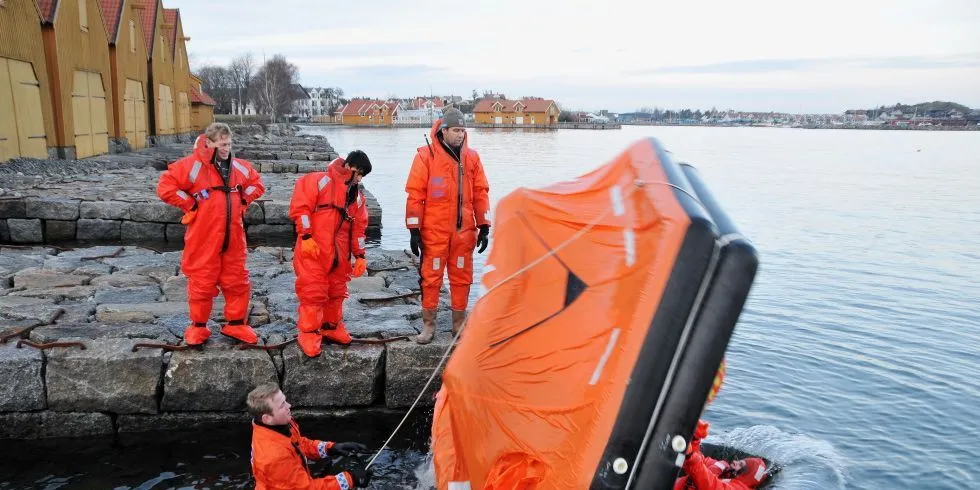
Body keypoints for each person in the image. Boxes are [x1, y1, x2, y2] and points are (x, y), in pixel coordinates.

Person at [157, 123, 265, 346]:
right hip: (203, 235)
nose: (226, 148)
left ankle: (236, 324)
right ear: (209, 142)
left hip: (234, 236)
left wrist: (243, 198)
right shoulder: (192, 167)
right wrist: (189, 202)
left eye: (229, 143)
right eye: (222, 144)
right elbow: (166, 187)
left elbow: (257, 184)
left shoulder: (240, 167)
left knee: (237, 279)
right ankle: (198, 327)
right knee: (201, 280)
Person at [404, 108, 491, 344]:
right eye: (456, 130)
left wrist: (484, 224)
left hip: (463, 234)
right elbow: (415, 194)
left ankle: (458, 326)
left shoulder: (472, 158)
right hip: (434, 232)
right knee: (431, 278)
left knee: (462, 278)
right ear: (444, 130)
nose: (461, 134)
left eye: (463, 130)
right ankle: (429, 326)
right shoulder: (426, 156)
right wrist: (414, 229)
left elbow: (481, 191)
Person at [289, 150, 371, 357]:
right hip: (314, 249)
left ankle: (331, 327)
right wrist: (305, 236)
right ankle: (308, 332)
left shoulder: (357, 199)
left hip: (340, 254)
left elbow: (359, 229)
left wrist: (360, 255)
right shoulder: (318, 181)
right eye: (359, 172)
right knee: (312, 292)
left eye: (363, 175)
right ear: (349, 166)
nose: (360, 178)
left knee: (336, 291)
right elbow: (301, 209)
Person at [247, 382, 372, 489]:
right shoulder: (275, 456)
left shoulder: (277, 427)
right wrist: (350, 479)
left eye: (285, 401)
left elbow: (299, 444)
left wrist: (331, 448)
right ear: (267, 418)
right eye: (282, 405)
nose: (289, 406)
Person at [674, 359, 770, 490]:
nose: (734, 462)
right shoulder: (720, 465)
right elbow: (695, 462)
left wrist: (691, 457)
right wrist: (695, 439)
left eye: (740, 464)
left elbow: (710, 485)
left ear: (743, 475)